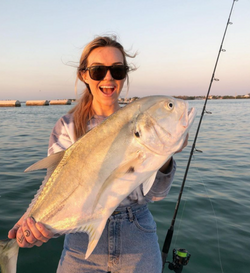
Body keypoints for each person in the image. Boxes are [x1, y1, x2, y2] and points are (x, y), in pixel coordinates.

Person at [8, 35, 188, 273]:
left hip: (138, 237)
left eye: (117, 70)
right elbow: (56, 187)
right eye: (98, 71)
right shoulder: (67, 126)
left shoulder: (142, 126)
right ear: (84, 75)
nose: (108, 78)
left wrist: (165, 155)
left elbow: (155, 194)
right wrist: (37, 225)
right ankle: (7, 252)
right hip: (80, 246)